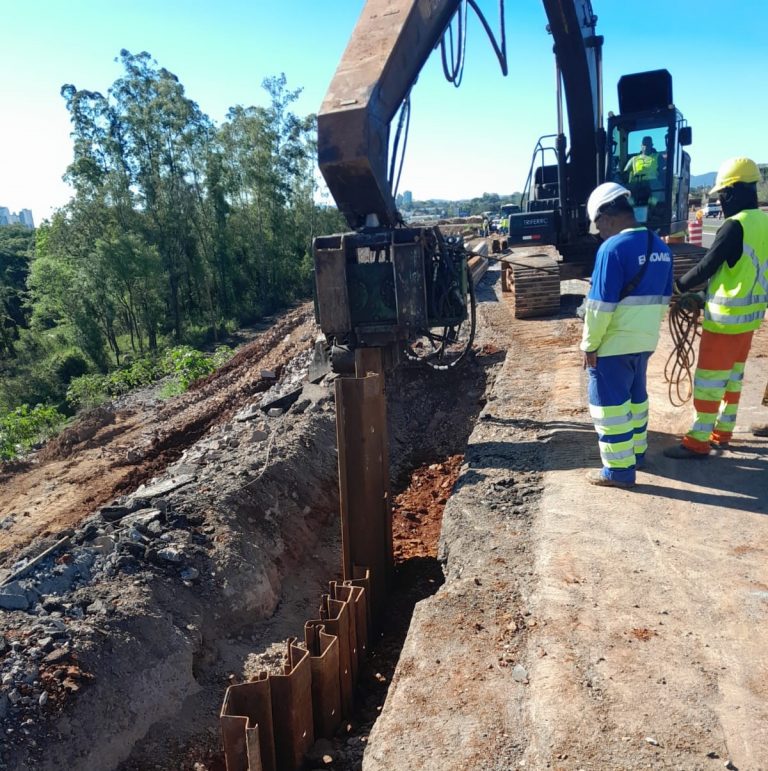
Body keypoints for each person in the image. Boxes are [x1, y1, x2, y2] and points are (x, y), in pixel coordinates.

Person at [664, 157, 768, 458]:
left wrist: (679, 287)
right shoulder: (763, 222)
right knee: (733, 379)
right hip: (749, 321)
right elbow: (739, 270)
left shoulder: (734, 226)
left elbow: (708, 266)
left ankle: (698, 441)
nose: (720, 202)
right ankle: (722, 432)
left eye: (722, 195)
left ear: (733, 192)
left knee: (709, 382)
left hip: (724, 323)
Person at [581, 182, 673, 488]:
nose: (600, 234)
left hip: (613, 345)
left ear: (606, 216)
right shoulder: (660, 247)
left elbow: (599, 308)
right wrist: (645, 333)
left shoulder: (611, 249)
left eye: (598, 227)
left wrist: (589, 345)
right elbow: (664, 299)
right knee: (636, 401)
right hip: (644, 341)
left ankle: (619, 472)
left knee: (609, 407)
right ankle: (637, 453)